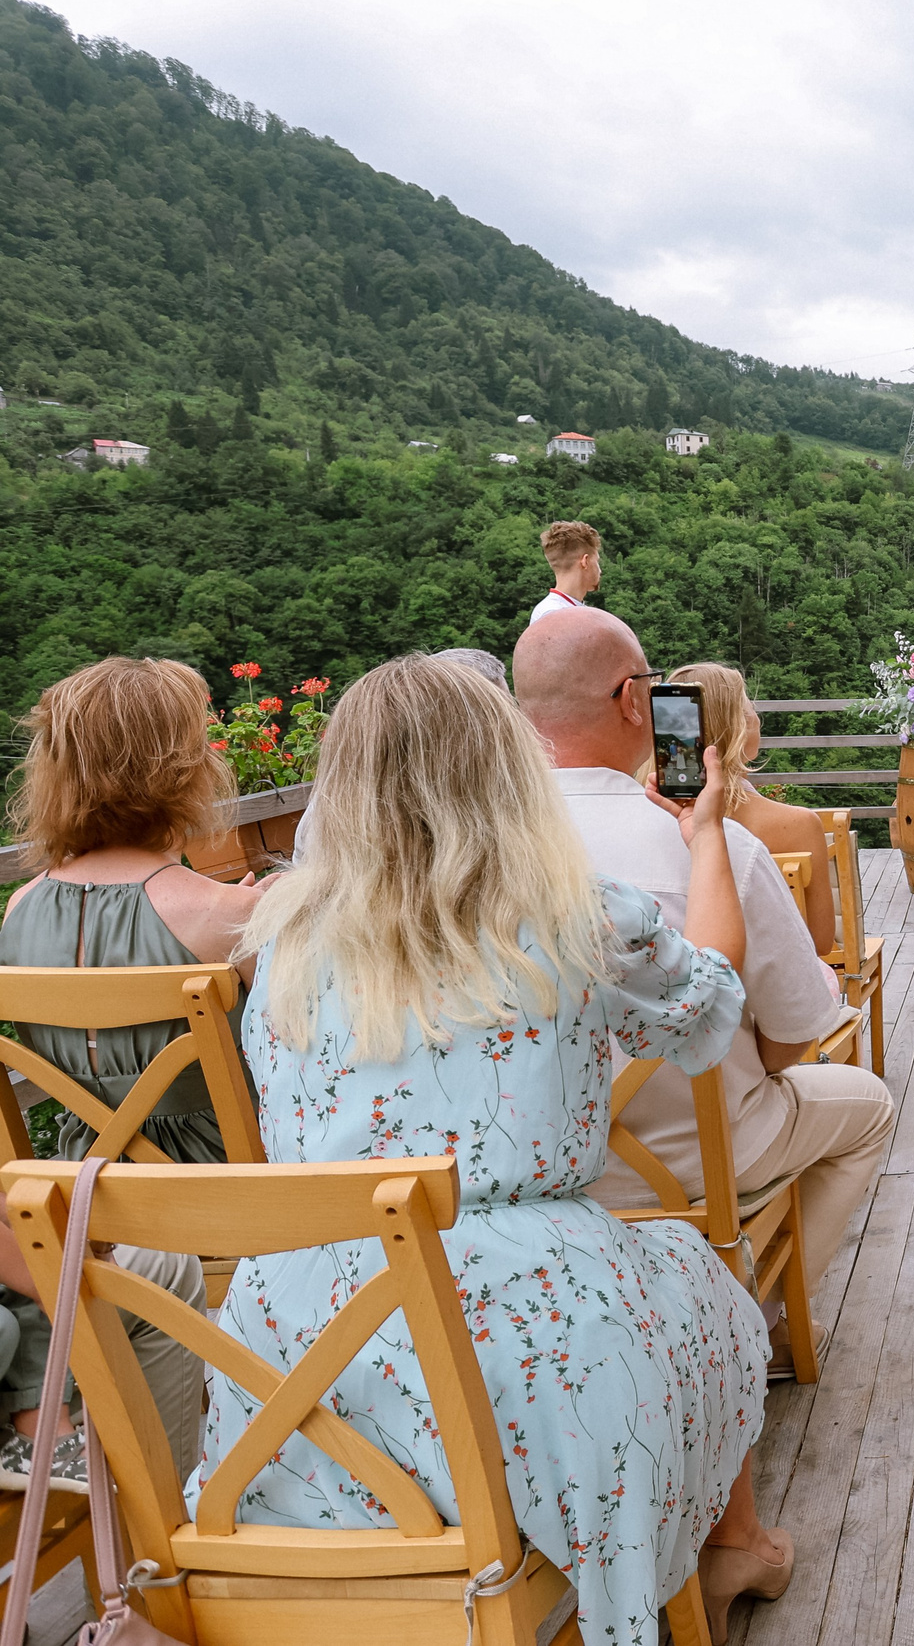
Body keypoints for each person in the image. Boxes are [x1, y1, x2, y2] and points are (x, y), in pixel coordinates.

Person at [208, 654, 789, 1646]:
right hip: (521, 1328)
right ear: (505, 770)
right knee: (700, 1278)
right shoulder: (574, 913)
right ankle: (726, 1546)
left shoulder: (282, 944)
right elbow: (707, 1007)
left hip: (295, 1345)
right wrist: (702, 838)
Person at [516, 610, 893, 1308]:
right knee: (868, 1107)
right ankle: (760, 1315)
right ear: (633, 701)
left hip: (535, 1162)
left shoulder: (471, 854)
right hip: (698, 1160)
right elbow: (791, 1038)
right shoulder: (721, 849)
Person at [0, 656, 245, 1489]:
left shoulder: (17, 911)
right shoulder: (225, 916)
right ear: (180, 766)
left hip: (87, 1197)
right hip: (224, 1204)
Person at [671, 660, 838, 957]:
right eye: (750, 709)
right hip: (774, 979)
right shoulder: (800, 825)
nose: (756, 718)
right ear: (737, 727)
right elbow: (821, 942)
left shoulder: (651, 821)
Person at [530, 519, 603, 625]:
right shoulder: (555, 614)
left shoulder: (552, 609)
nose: (600, 570)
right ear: (585, 561)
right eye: (597, 561)